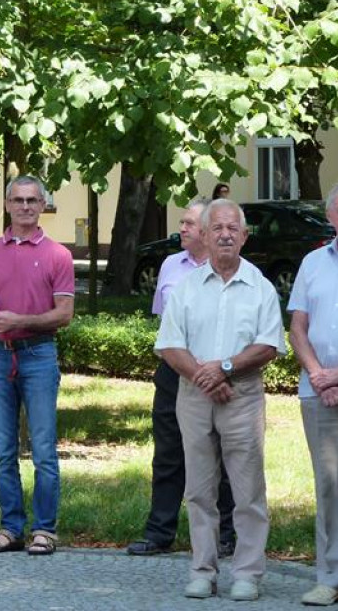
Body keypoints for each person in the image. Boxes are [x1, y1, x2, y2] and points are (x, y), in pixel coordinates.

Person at [156, 199, 286, 601]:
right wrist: (205, 376)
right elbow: (169, 345)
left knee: (248, 490)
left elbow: (268, 345)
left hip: (242, 395)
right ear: (206, 236)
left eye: (233, 228)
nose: (226, 234)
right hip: (195, 394)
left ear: (244, 237)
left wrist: (225, 368)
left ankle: (247, 573)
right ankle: (203, 570)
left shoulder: (260, 286)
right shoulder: (187, 287)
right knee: (199, 488)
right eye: (218, 228)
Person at [127, 199, 236, 557]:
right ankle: (160, 531)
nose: (182, 229)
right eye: (183, 223)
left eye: (189, 223)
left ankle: (225, 533)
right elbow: (163, 326)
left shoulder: (230, 269)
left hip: (219, 373)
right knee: (168, 453)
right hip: (174, 373)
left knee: (222, 454)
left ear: (206, 231)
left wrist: (215, 372)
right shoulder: (170, 266)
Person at [0, 175, 74, 557]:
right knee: (2, 449)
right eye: (18, 200)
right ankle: (11, 528)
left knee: (44, 448)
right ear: (7, 204)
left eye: (33, 200)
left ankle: (44, 529)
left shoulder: (57, 255)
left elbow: (64, 314)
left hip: (38, 354)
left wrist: (20, 322)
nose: (26, 206)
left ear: (43, 205)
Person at [288, 183, 338, 607]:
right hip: (318, 391)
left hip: (331, 382)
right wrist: (319, 374)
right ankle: (330, 575)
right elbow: (297, 328)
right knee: (329, 486)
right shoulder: (311, 262)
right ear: (331, 216)